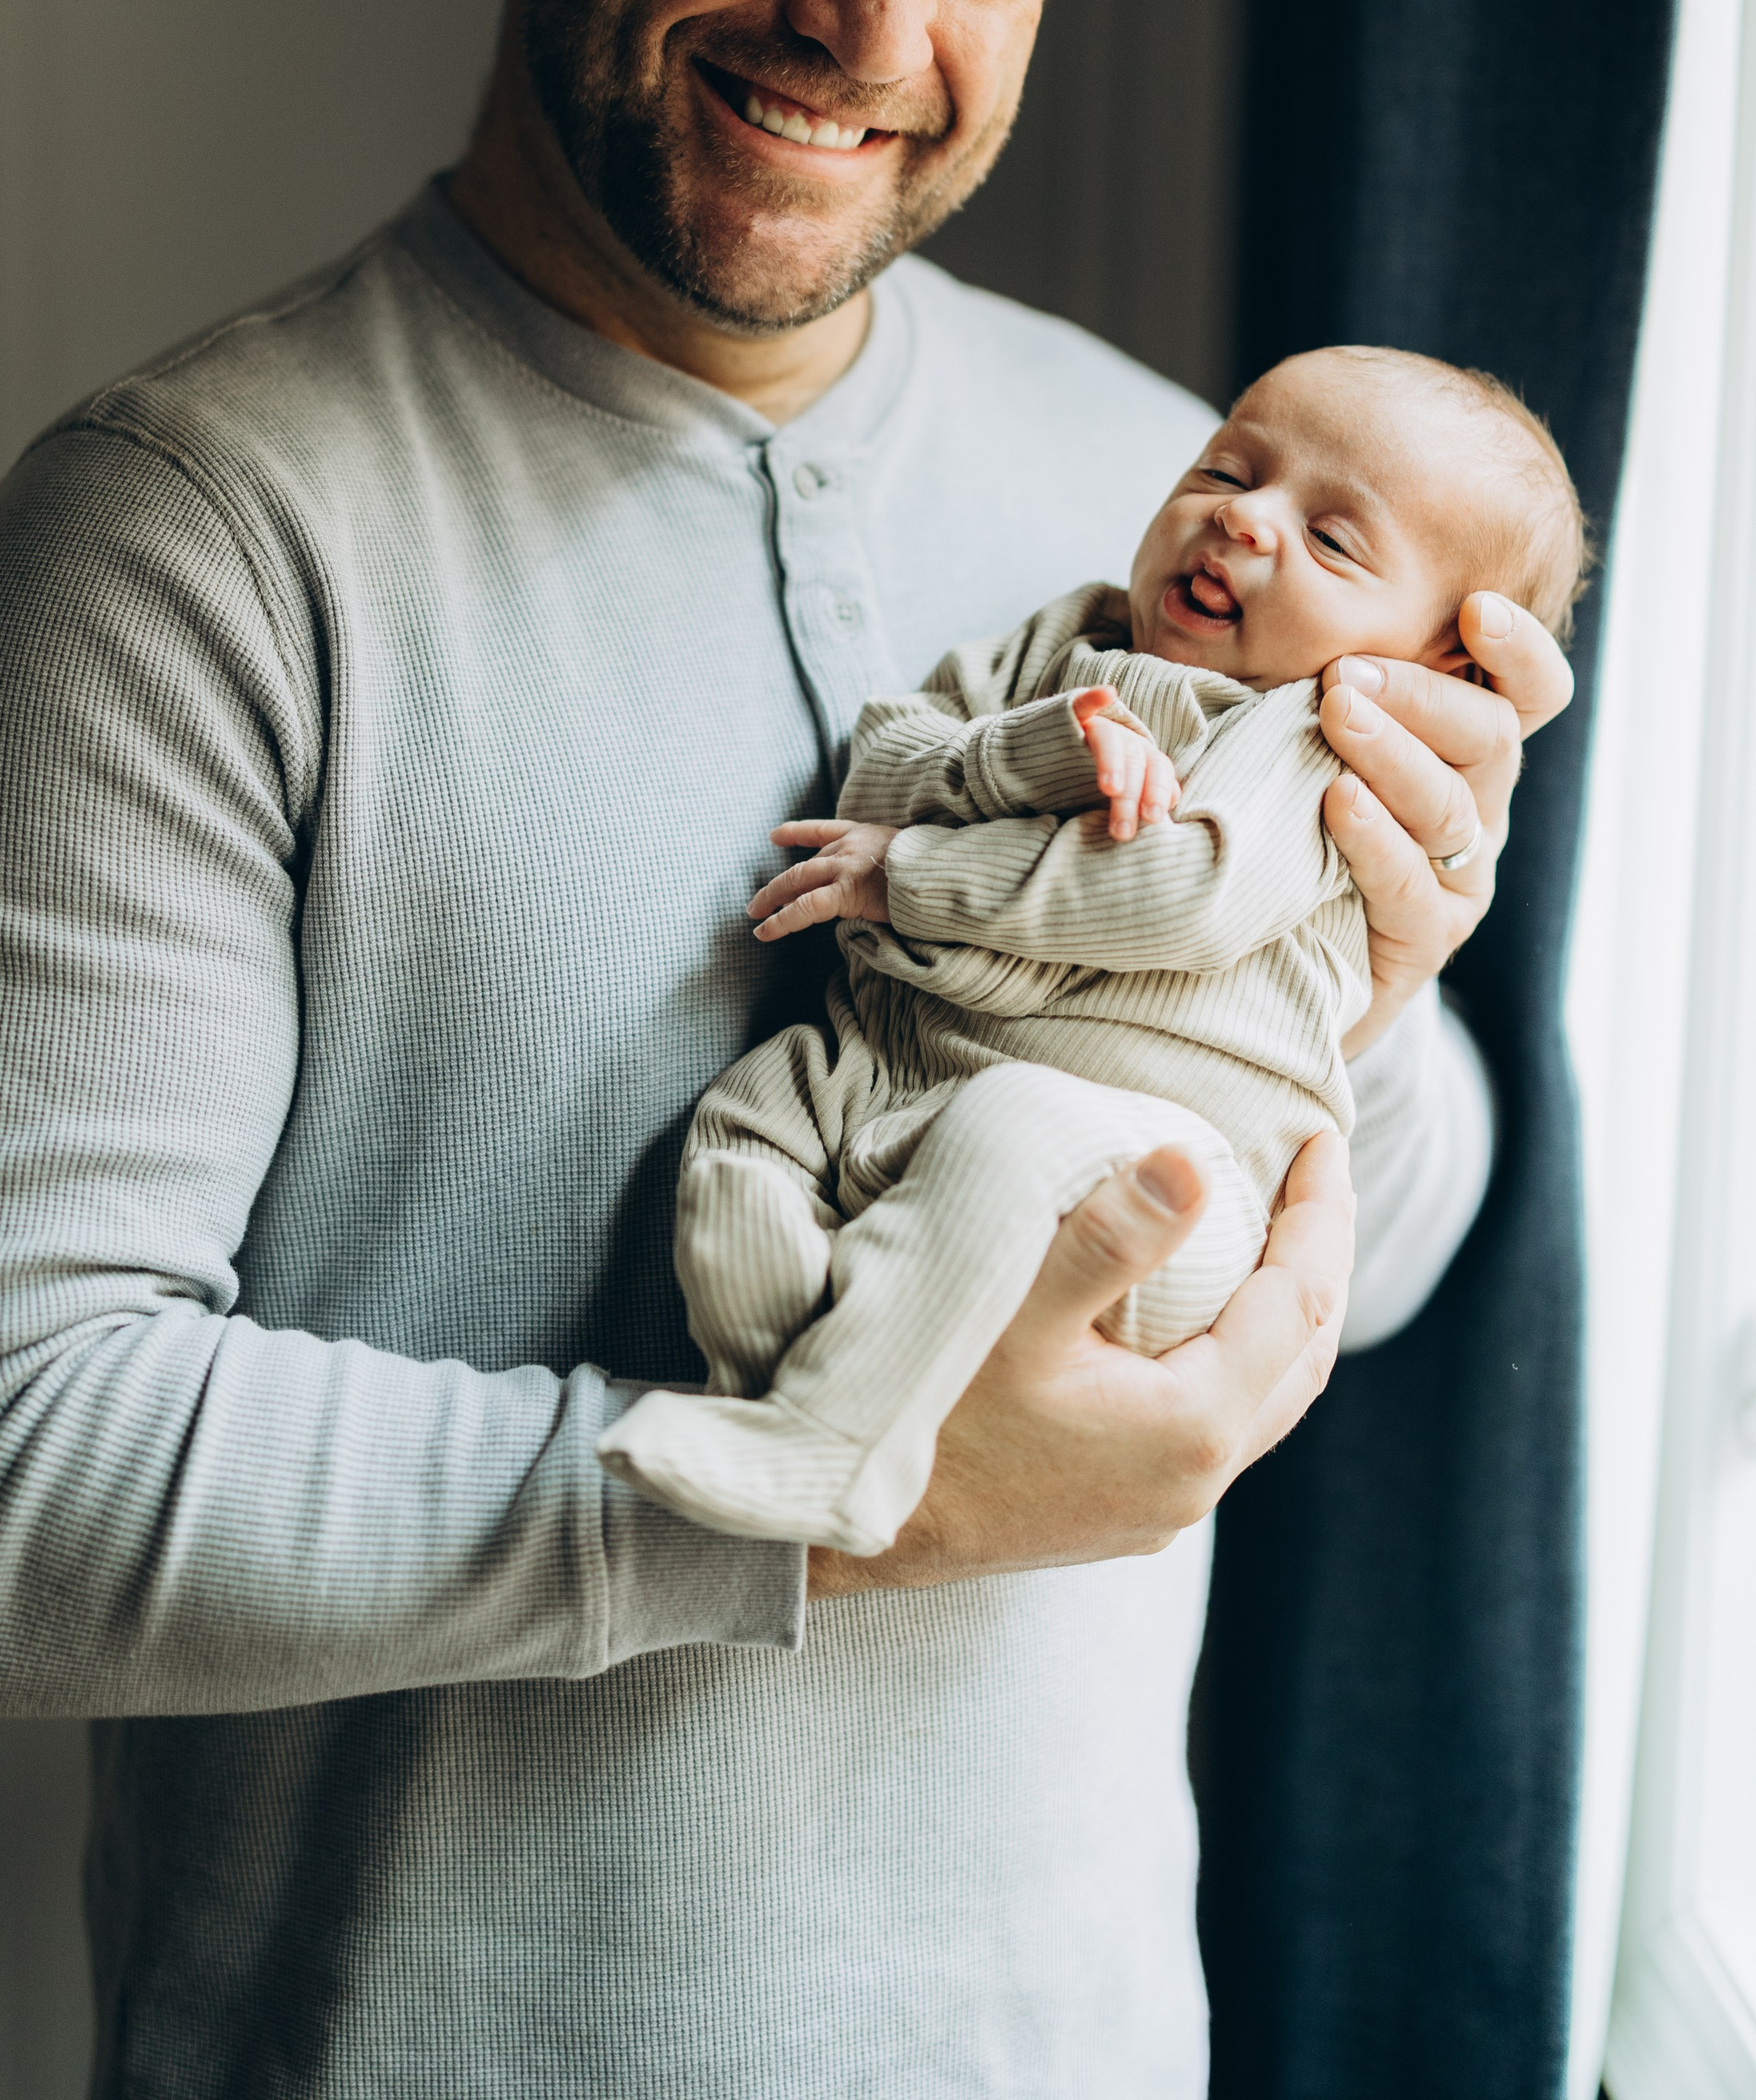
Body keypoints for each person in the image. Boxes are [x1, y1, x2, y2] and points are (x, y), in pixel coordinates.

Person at [0, 0, 1573, 2098]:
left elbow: (1390, 1232)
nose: (878, 25)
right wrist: (832, 1509)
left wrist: (1380, 986)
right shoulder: (180, 559)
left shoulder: (1184, 489)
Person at [600, 347, 1587, 1556]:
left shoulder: (1321, 736)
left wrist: (910, 877)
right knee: (745, 1129)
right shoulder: (1071, 639)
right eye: (1228, 470)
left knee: (1017, 1127)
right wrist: (1039, 751)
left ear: (1440, 668)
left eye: (1334, 541)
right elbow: (887, 763)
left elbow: (1181, 893)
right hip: (893, 1085)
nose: (1242, 518)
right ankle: (781, 1390)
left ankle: (832, 1432)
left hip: (1149, 1174)